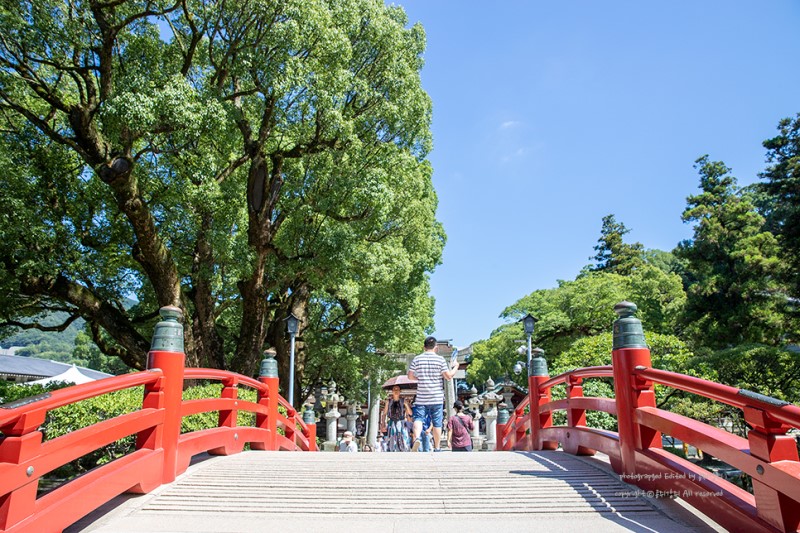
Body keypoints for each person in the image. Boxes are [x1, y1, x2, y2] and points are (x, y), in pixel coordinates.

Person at [407, 336, 459, 452]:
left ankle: (416, 439)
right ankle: (437, 447)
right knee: (437, 423)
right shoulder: (440, 360)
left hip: (421, 396)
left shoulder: (417, 359)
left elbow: (410, 376)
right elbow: (448, 376)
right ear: (436, 347)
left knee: (418, 419)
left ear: (424, 347)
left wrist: (419, 378)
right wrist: (456, 366)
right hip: (436, 397)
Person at [383, 385, 411, 452]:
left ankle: (403, 450)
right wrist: (383, 423)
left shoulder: (403, 401)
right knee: (392, 438)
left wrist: (406, 405)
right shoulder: (388, 401)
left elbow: (410, 413)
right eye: (394, 389)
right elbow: (384, 413)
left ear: (400, 391)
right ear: (392, 391)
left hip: (401, 422)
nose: (396, 391)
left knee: (402, 438)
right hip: (392, 422)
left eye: (397, 389)